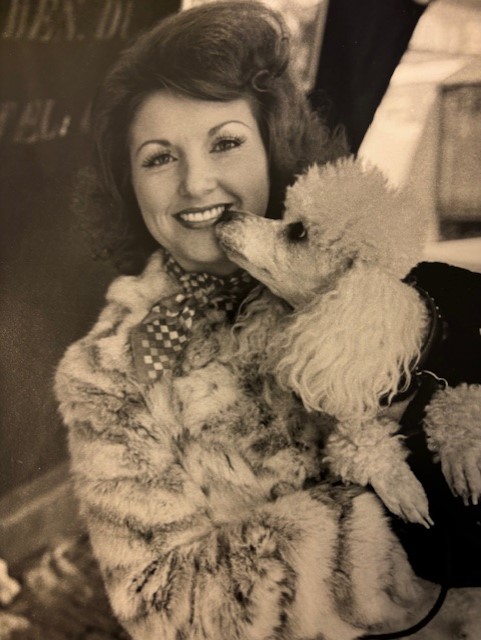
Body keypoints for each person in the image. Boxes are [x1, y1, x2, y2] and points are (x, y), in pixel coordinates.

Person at [54, 2, 479, 639]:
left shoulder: (369, 280)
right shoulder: (108, 374)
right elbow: (162, 605)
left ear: (272, 146)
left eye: (225, 143)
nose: (197, 183)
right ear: (128, 183)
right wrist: (396, 531)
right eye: (159, 157)